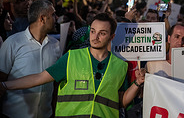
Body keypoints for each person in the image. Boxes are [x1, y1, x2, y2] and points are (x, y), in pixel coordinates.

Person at [0, 12, 145, 117]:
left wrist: (137, 83)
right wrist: (5, 85)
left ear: (112, 36)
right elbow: (39, 78)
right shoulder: (71, 57)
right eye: (93, 31)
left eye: (102, 33)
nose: (95, 37)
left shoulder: (120, 66)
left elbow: (121, 102)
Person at [0, 0, 61, 118]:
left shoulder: (56, 45)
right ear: (42, 19)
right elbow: (1, 80)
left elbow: (55, 84)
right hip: (13, 115)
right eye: (52, 14)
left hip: (46, 115)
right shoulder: (13, 43)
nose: (56, 18)